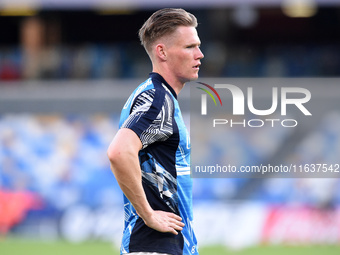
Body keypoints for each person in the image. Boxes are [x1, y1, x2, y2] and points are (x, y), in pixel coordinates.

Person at [107, 8, 204, 255]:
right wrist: (148, 214)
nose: (200, 55)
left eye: (198, 46)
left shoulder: (149, 94)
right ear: (162, 51)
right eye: (189, 47)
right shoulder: (157, 100)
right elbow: (119, 152)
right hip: (156, 245)